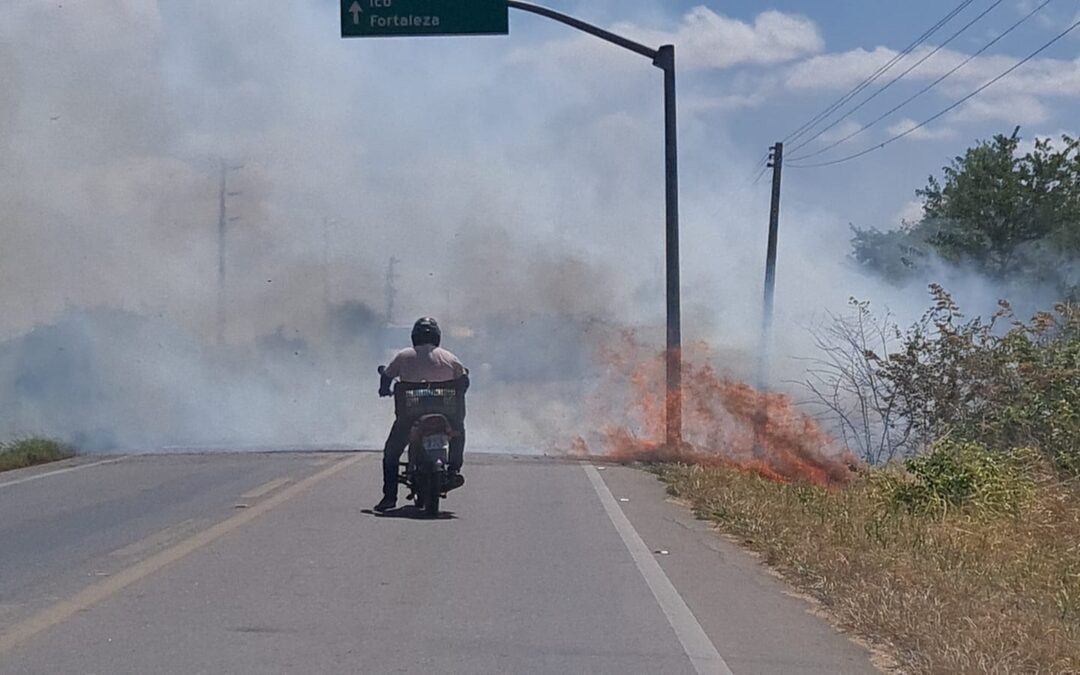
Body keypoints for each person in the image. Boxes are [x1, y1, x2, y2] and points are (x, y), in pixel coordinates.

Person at [374, 317, 468, 513]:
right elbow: (464, 381)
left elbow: (387, 376)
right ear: (437, 337)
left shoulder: (404, 355)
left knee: (391, 454)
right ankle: (454, 469)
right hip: (447, 415)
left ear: (415, 337)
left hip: (410, 415)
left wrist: (384, 389)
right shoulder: (449, 357)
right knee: (458, 432)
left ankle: (389, 497)